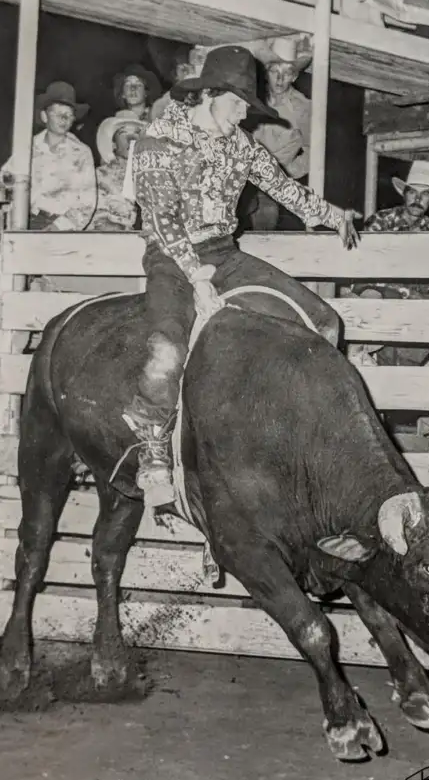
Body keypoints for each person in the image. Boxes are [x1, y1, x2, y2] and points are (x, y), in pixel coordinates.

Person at [125, 45, 359, 507]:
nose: (242, 113)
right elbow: (162, 219)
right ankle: (152, 450)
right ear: (209, 94)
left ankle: (295, 424)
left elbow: (282, 186)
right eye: (236, 103)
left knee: (323, 322)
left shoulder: (240, 144)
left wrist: (332, 214)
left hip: (225, 253)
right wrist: (197, 278)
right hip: (172, 258)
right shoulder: (158, 141)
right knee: (167, 347)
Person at [342, 160, 429, 370]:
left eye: (425, 194)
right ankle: (357, 356)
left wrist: (424, 294)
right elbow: (366, 263)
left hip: (408, 296)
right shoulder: (382, 220)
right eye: (412, 193)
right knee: (371, 299)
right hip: (378, 288)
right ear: (404, 194)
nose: (418, 199)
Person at [3, 81, 96, 232]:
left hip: (64, 227)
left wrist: (58, 227)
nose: (64, 119)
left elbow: (87, 204)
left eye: (69, 115)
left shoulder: (81, 153)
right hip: (26, 223)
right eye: (58, 114)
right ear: (44, 117)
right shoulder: (28, 149)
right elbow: (6, 183)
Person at [246, 37, 314, 231]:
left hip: (270, 187)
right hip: (241, 177)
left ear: (294, 77)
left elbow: (313, 151)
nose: (279, 79)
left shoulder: (302, 108)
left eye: (286, 73)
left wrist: (290, 171)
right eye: (274, 71)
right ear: (266, 73)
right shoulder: (252, 99)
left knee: (264, 228)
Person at [90, 110, 144, 232]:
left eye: (136, 133)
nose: (131, 139)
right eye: (124, 133)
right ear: (113, 144)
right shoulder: (100, 176)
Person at [150, 48, 203, 122]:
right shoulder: (163, 103)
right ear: (175, 75)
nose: (187, 73)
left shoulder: (206, 93)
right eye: (183, 70)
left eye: (191, 68)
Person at [112, 63, 161, 129]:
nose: (133, 88)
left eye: (138, 85)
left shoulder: (158, 115)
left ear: (146, 92)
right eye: (128, 85)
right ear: (123, 94)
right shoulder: (118, 120)